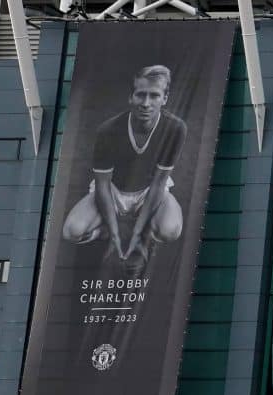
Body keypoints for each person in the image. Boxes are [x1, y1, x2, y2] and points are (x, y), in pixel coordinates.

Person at [59, 64, 188, 271]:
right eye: (140, 95)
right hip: (114, 191)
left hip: (149, 190)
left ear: (165, 98)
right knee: (72, 231)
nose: (146, 103)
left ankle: (143, 233)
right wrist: (115, 235)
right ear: (131, 97)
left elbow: (159, 183)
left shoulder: (175, 128)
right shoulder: (109, 129)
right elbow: (102, 186)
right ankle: (107, 231)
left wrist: (137, 233)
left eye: (154, 96)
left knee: (171, 231)